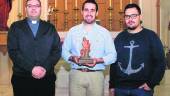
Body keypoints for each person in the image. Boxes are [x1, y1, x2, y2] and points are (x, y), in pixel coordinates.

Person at [62, 0, 117, 96]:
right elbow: (64, 51)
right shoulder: (73, 31)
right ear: (82, 12)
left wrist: (97, 60)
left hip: (96, 75)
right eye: (86, 10)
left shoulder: (104, 33)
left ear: (97, 13)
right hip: (76, 74)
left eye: (92, 10)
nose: (89, 13)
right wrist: (73, 58)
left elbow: (113, 55)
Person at [109, 3, 166, 96]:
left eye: (134, 16)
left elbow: (161, 62)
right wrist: (112, 86)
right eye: (127, 16)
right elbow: (114, 63)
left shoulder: (151, 36)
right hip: (120, 89)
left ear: (140, 16)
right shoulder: (119, 37)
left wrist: (151, 83)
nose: (130, 19)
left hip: (142, 90)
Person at [7, 0, 61, 96]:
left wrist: (45, 67)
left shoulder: (50, 28)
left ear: (40, 9)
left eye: (36, 6)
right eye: (30, 6)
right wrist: (31, 68)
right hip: (22, 78)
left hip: (46, 78)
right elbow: (13, 51)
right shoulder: (15, 27)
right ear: (25, 8)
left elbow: (56, 50)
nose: (33, 8)